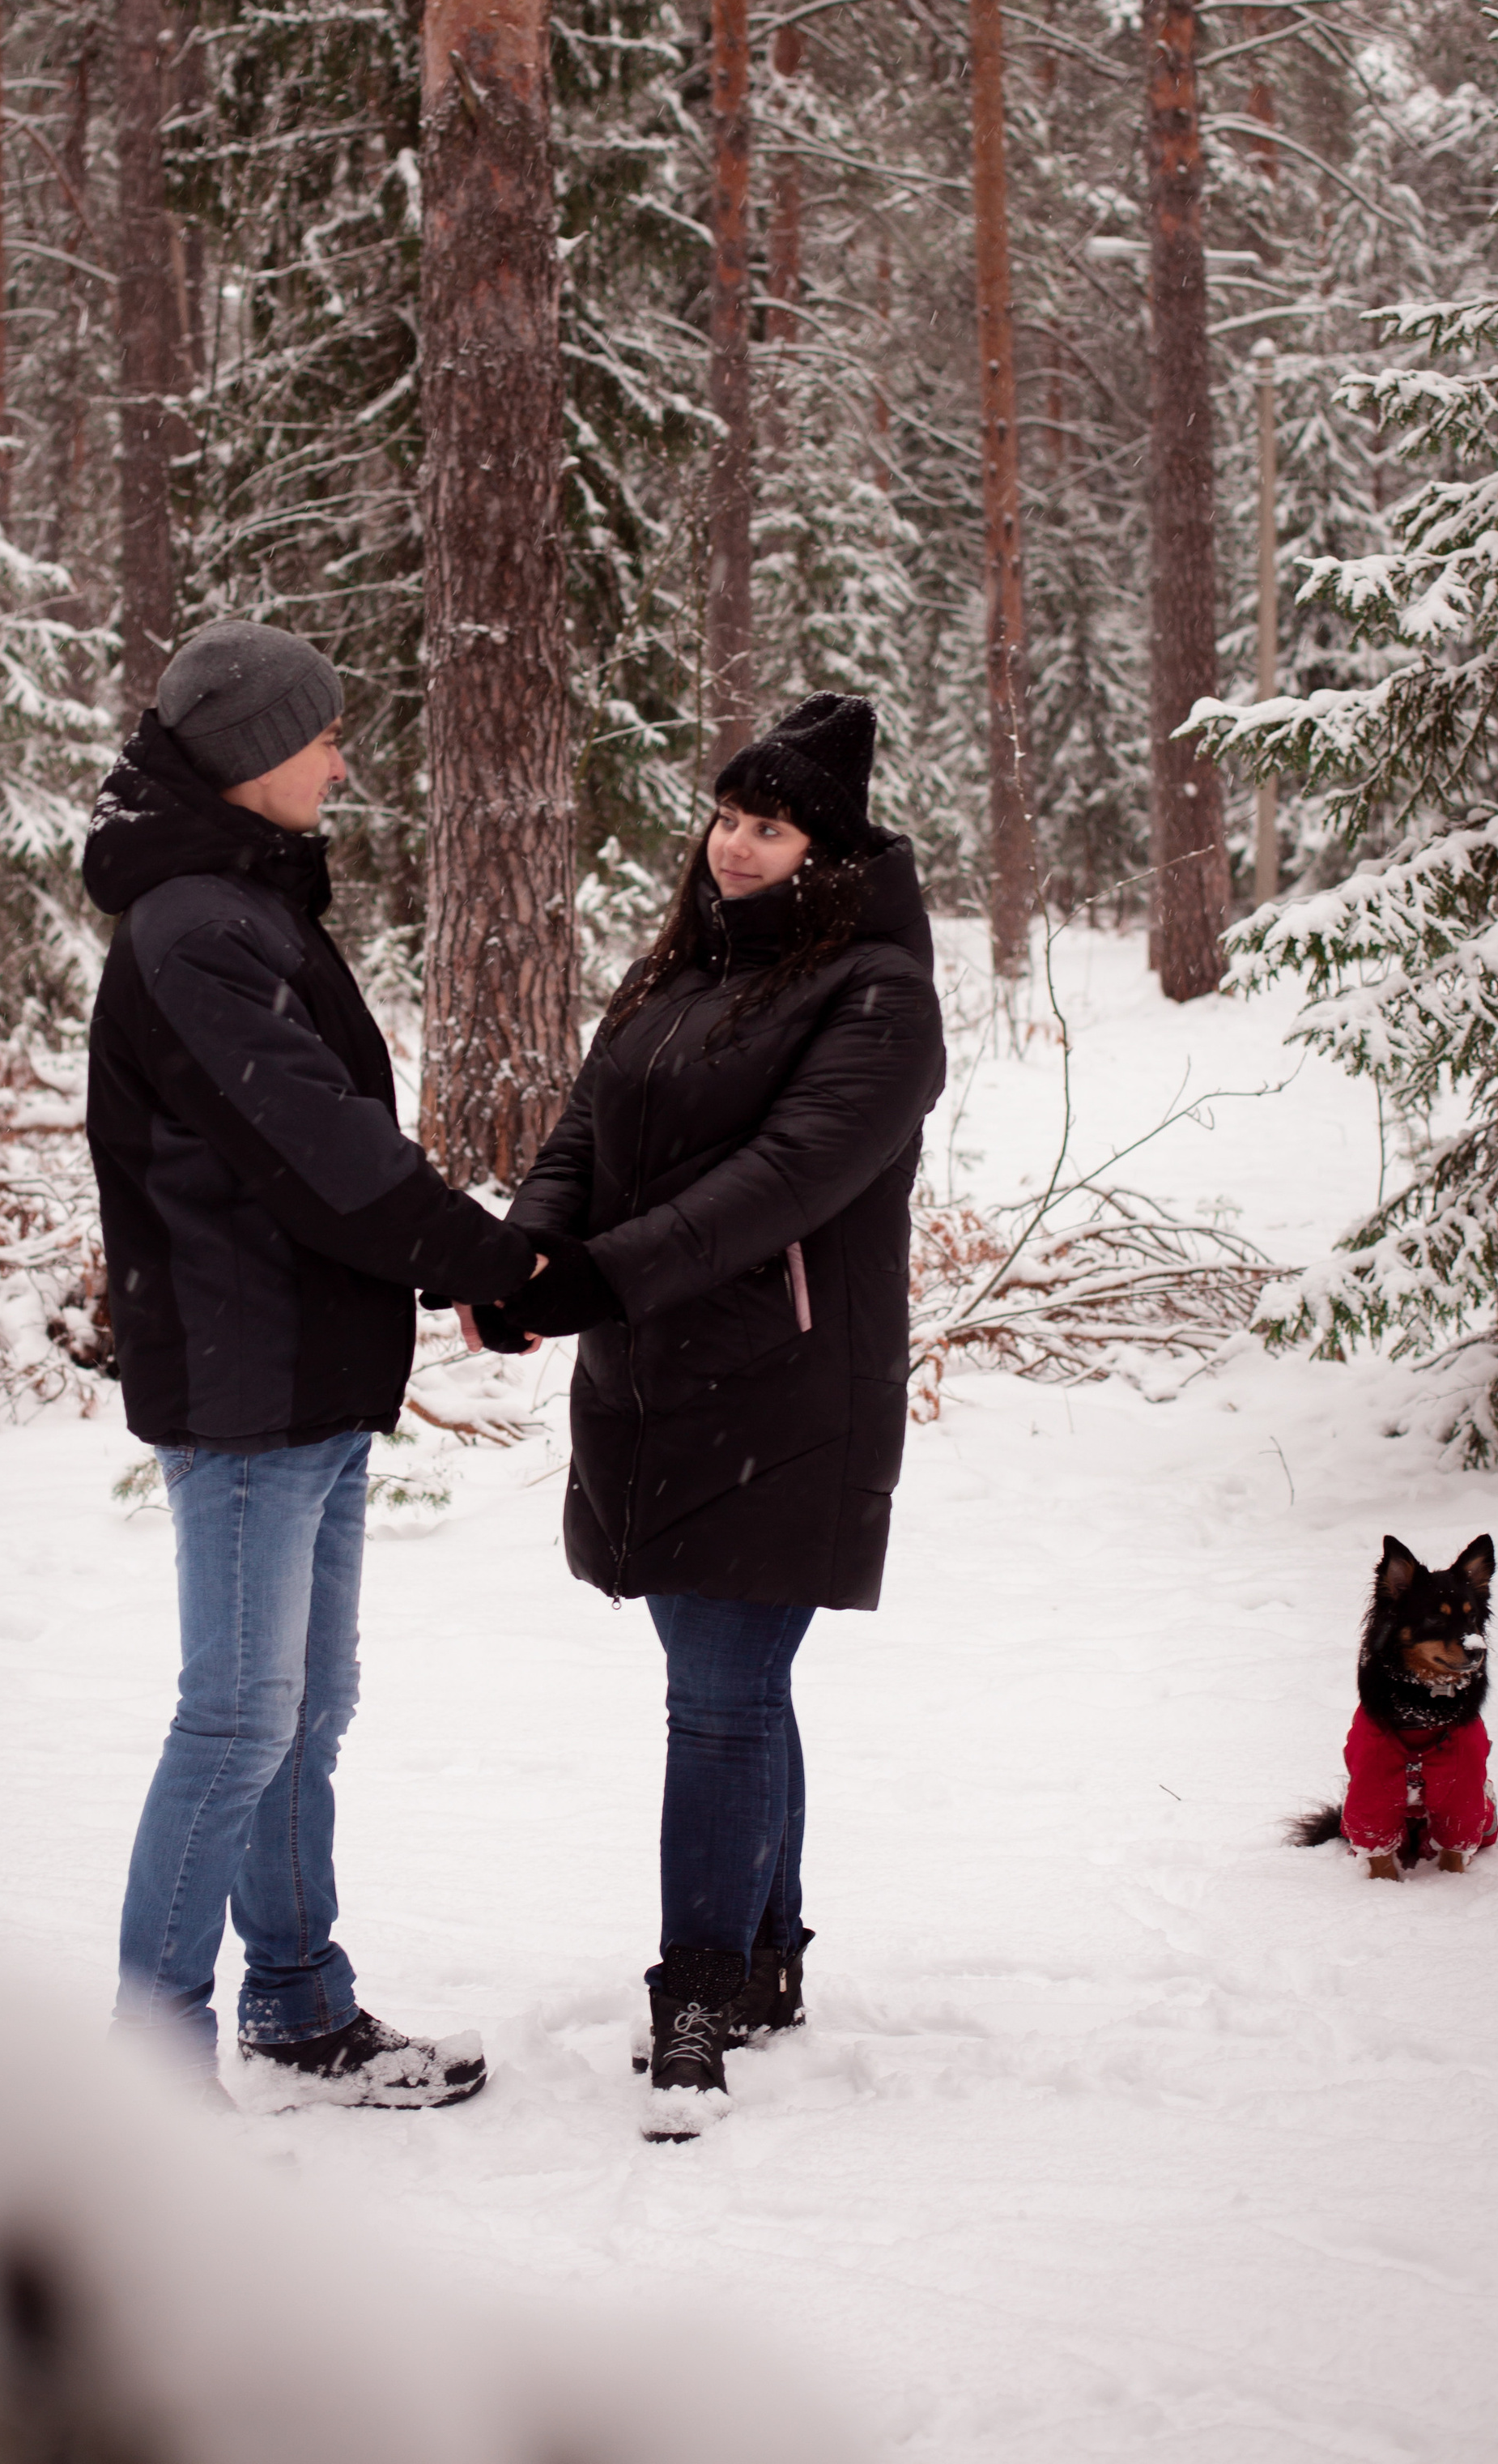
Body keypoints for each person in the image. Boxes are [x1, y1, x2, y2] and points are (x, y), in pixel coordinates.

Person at [467, 695, 946, 2138]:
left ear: (831, 851)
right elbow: (583, 1135)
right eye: (729, 817)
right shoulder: (671, 974)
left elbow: (784, 1183)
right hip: (652, 1375)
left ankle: (696, 2002)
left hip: (787, 1390)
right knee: (735, 1681)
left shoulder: (876, 993)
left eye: (772, 825)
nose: (736, 846)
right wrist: (525, 1258)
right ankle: (760, 1964)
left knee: (719, 1695)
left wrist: (593, 1280)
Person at [83, 620, 546, 2107]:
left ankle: (297, 2004)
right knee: (235, 1717)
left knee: (303, 1711)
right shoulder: (192, 927)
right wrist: (487, 1259)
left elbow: (320, 1153)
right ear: (247, 758)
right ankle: (152, 2076)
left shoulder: (238, 898)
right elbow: (318, 1148)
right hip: (244, 1384)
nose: (344, 760)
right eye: (322, 737)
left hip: (309, 1375)